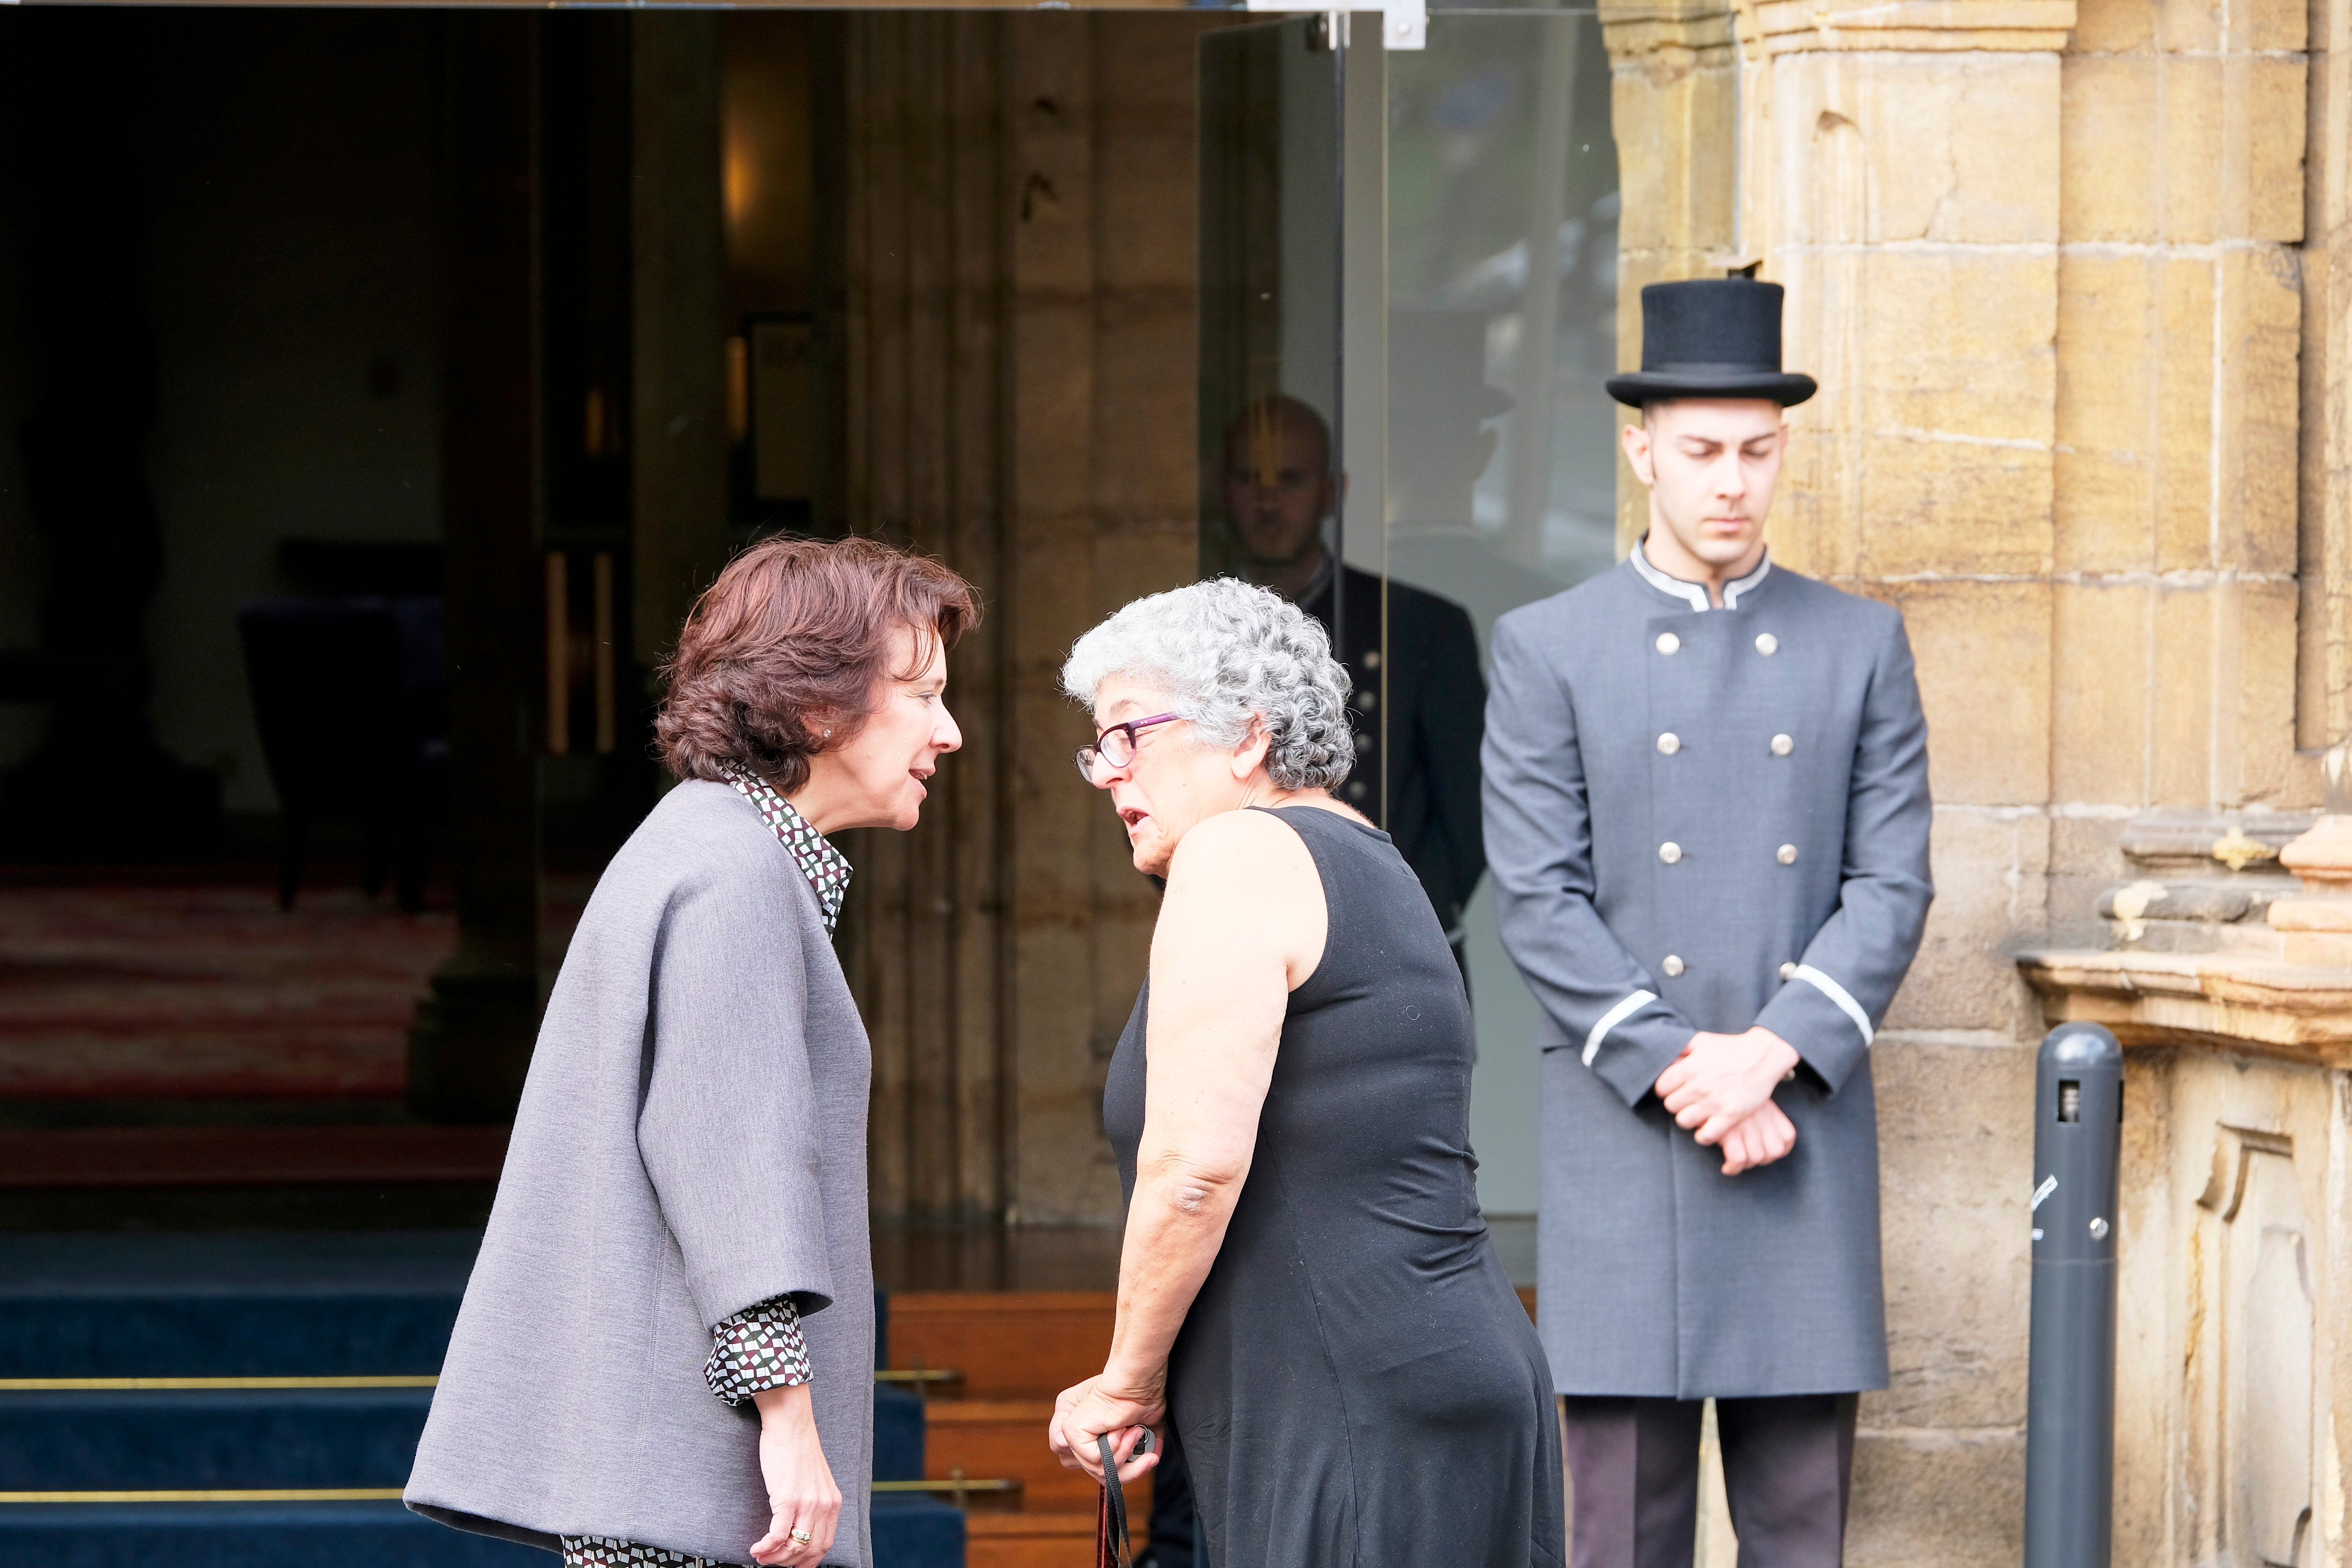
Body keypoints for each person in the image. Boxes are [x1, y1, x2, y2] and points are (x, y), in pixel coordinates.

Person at [405, 535, 977, 1568]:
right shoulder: (737, 873)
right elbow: (732, 1170)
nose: (951, 731)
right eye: (924, 694)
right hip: (704, 1489)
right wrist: (792, 1428)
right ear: (815, 707)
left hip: (664, 1476)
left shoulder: (700, 844)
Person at [1482, 274, 1934, 1567]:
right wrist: (1692, 1071)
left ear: (1782, 447)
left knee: (1802, 1528)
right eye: (1699, 453)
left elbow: (1892, 883)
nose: (1730, 482)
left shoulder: (1862, 644)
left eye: (1755, 450)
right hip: (1631, 1127)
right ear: (1641, 452)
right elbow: (1538, 893)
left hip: (1801, 1125)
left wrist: (1769, 1055)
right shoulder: (1547, 646)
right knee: (1617, 1528)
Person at [1046, 578, 1563, 1568]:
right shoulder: (1370, 853)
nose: (1108, 773)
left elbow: (1194, 1166)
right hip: (1433, 1381)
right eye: (1097, 745)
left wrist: (1127, 1378)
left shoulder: (1237, 850)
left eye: (1129, 735)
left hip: (1354, 1407)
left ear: (1246, 737)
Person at [1222, 394, 1487, 955]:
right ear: (1223, 489)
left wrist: (1414, 910)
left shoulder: (1419, 626)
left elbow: (1471, 817)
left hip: (1396, 940)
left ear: (1330, 492)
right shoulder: (1189, 631)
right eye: (1250, 479)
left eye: (1290, 480)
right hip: (1244, 935)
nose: (1268, 502)